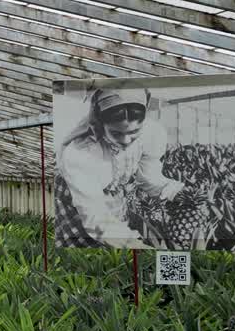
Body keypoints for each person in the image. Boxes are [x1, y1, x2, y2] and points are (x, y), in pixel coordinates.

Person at [57, 87, 184, 246]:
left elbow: (149, 177)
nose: (126, 140)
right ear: (101, 123)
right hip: (80, 200)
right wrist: (132, 244)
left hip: (114, 196)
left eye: (134, 131)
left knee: (119, 255)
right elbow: (95, 218)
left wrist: (175, 191)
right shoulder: (82, 152)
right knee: (87, 254)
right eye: (116, 133)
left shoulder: (152, 133)